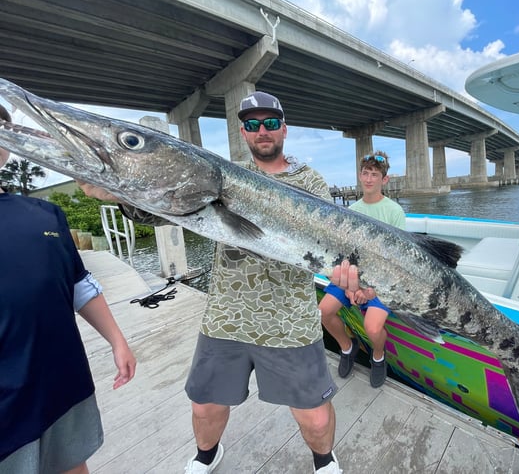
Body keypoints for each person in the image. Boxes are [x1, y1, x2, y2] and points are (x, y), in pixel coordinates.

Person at [80, 91, 341, 474]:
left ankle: (324, 459)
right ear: (243, 133)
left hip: (290, 320)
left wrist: (348, 273)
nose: (262, 130)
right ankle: (207, 454)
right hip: (226, 315)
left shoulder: (309, 181)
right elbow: (158, 212)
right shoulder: (219, 173)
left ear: (283, 128)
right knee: (205, 405)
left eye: (270, 123)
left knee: (315, 417)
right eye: (253, 125)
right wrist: (119, 192)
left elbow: (332, 238)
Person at [0, 104, 136, 474]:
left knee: (74, 465)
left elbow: (78, 283)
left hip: (63, 384)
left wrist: (117, 341)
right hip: (6, 407)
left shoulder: (46, 214)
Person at [319, 151, 406, 388]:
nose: (369, 179)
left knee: (372, 326)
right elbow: (345, 252)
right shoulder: (351, 211)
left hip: (381, 281)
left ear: (384, 180)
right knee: (325, 311)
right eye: (365, 173)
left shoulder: (394, 212)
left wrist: (371, 291)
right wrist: (349, 286)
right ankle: (347, 347)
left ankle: (378, 356)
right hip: (350, 277)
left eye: (374, 174)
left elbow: (397, 261)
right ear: (360, 176)